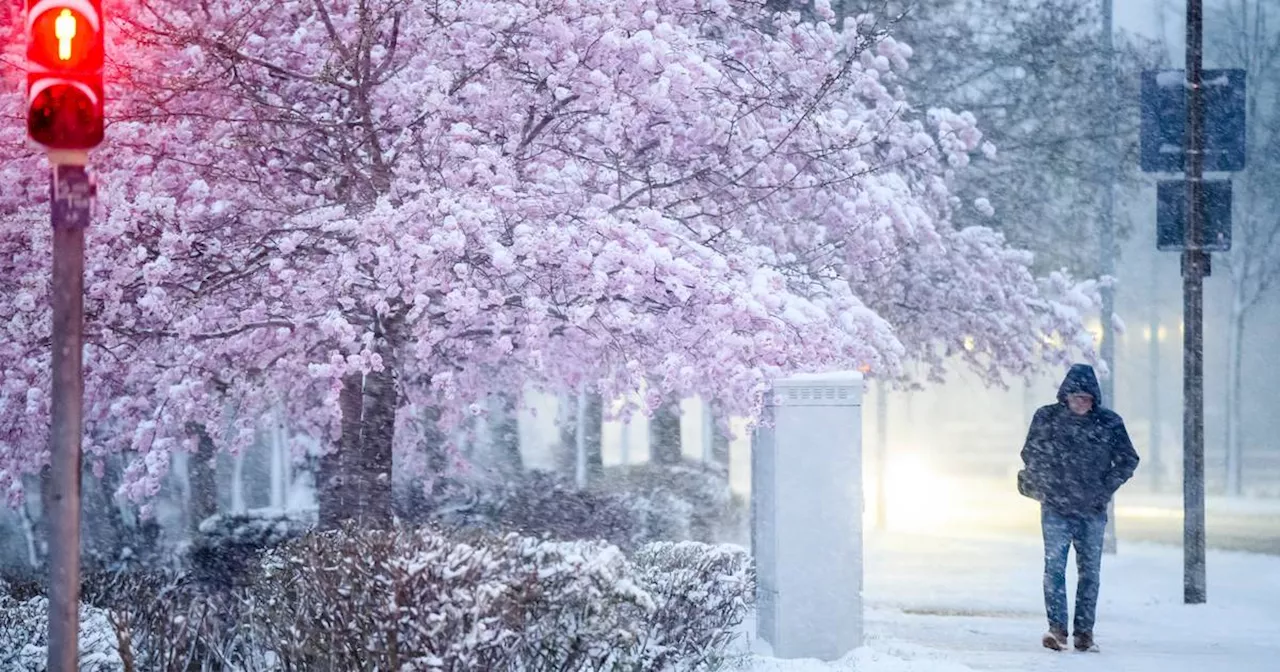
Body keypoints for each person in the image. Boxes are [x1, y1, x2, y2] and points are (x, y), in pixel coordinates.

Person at [1017, 363, 1140, 653]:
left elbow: (1128, 459)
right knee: (1054, 569)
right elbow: (1030, 453)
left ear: (1094, 399)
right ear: (1065, 396)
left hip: (1091, 510)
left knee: (1089, 574)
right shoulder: (1047, 419)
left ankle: (1084, 633)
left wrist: (1103, 488)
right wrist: (1046, 484)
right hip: (1056, 507)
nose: (1080, 402)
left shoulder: (1109, 423)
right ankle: (1057, 630)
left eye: (1086, 397)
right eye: (1075, 396)